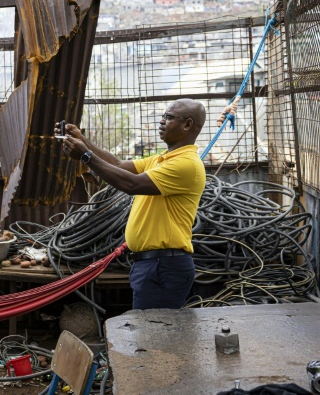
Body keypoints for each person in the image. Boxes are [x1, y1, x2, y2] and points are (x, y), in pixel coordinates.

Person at [55, 98, 207, 310]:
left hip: (163, 266)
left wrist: (86, 156)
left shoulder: (186, 164)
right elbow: (117, 165)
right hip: (151, 264)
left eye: (169, 117)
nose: (161, 122)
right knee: (150, 333)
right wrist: (82, 140)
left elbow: (132, 184)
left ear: (188, 124)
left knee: (155, 335)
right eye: (163, 116)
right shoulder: (161, 159)